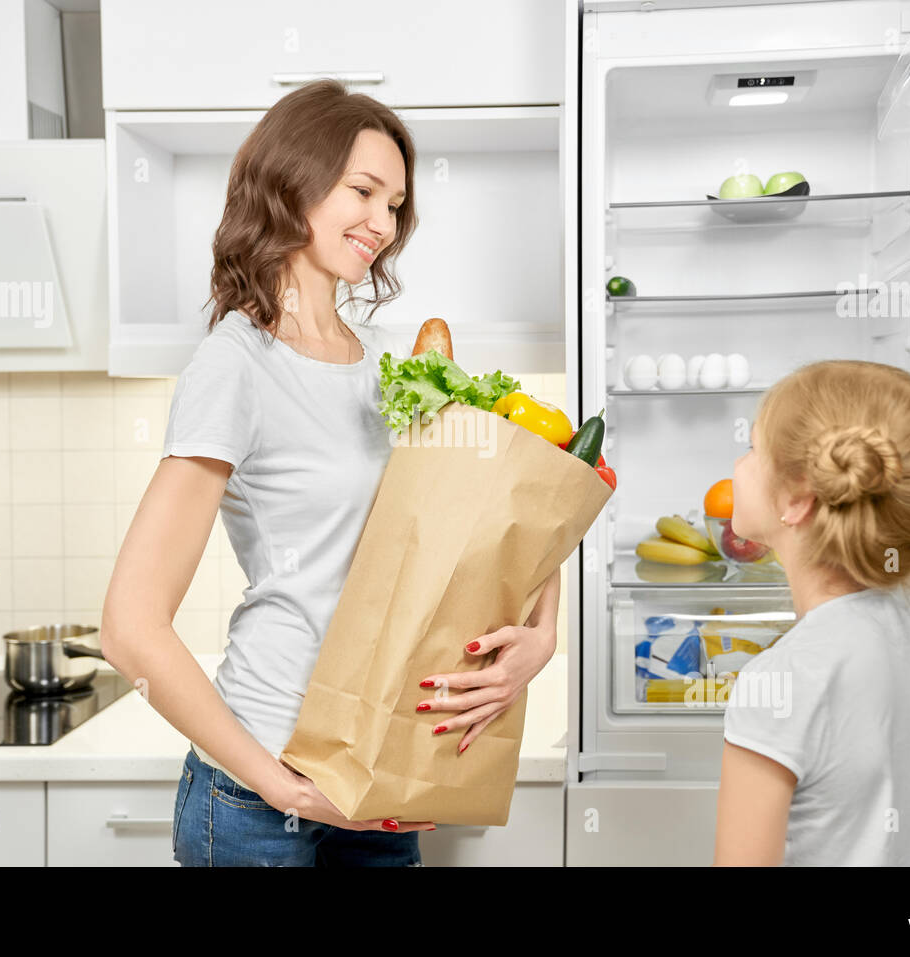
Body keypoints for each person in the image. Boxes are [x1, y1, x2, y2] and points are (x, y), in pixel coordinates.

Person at [99, 79, 563, 867]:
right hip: (257, 796)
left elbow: (497, 512)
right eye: (364, 192)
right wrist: (273, 782)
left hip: (379, 778)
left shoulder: (394, 364)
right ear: (293, 182)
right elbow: (130, 626)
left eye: (397, 205)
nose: (384, 224)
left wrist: (542, 637)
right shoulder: (235, 366)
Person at [713, 359, 910, 866]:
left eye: (753, 449)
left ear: (797, 499)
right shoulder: (905, 632)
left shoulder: (782, 680)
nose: (739, 465)